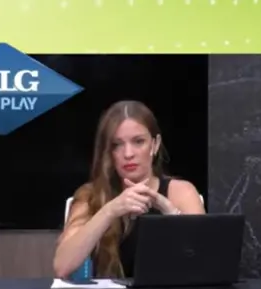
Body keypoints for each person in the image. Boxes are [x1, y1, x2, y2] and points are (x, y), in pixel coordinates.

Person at [52, 100, 206, 279]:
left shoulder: (181, 192)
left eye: (138, 141)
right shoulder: (90, 196)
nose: (128, 154)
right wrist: (110, 210)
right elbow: (63, 267)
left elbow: (206, 264)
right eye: (117, 145)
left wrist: (170, 211)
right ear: (109, 152)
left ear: (155, 145)